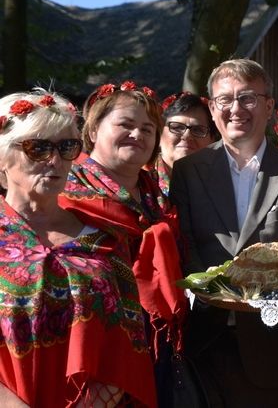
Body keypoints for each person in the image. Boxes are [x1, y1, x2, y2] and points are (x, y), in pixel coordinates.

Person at [170, 59, 278, 407]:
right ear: (212, 109)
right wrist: (213, 291)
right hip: (203, 347)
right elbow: (185, 247)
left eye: (248, 98)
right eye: (225, 100)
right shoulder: (186, 172)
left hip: (275, 351)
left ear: (269, 106)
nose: (235, 108)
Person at [0, 90, 156, 407]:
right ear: (2, 156)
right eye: (38, 147)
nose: (55, 160)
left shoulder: (106, 239)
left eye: (66, 147)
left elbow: (128, 343)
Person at [60, 81, 186, 407]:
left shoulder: (161, 199)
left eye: (147, 128)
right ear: (92, 130)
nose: (138, 135)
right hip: (87, 350)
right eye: (125, 125)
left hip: (155, 349)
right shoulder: (62, 191)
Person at [147, 91, 215, 201]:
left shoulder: (223, 184)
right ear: (158, 134)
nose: (187, 136)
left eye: (198, 130)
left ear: (212, 140)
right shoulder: (138, 182)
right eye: (177, 127)